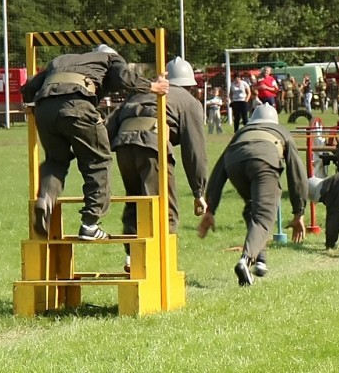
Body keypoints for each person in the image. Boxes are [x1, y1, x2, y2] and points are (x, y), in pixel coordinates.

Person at [20, 44, 169, 240]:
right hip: (77, 105)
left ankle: (45, 198)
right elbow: (124, 77)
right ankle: (90, 224)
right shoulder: (108, 59)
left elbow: (29, 87)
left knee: (55, 160)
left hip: (44, 109)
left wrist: (31, 105)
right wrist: (152, 86)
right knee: (98, 160)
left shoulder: (61, 60)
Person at [106, 57, 208, 271]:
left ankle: (132, 256)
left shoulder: (141, 92)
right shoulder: (188, 101)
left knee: (136, 201)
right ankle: (159, 263)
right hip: (152, 144)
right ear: (189, 85)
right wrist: (199, 191)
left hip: (123, 145)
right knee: (163, 205)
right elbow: (194, 149)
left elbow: (110, 126)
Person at [197, 104, 308, 286]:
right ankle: (246, 261)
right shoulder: (281, 131)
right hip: (264, 162)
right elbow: (297, 174)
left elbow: (218, 172)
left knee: (252, 209)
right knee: (264, 216)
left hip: (234, 164)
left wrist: (210, 209)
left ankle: (260, 259)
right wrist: (299, 213)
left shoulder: (241, 132)